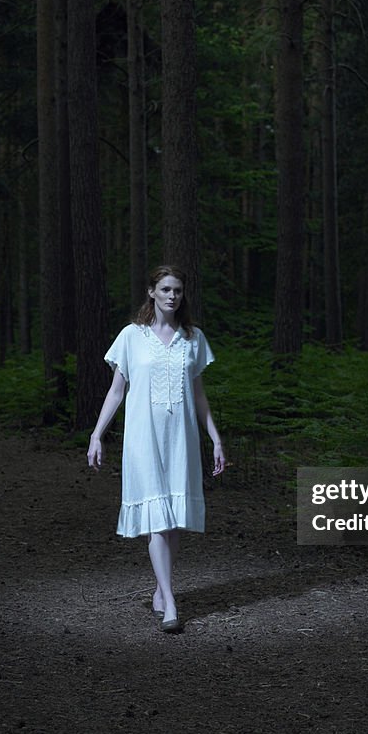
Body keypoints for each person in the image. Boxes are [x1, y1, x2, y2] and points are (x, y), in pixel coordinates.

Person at [88, 266, 225, 633]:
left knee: (174, 518)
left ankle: (161, 590)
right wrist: (97, 434)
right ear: (151, 292)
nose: (172, 296)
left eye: (177, 290)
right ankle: (170, 601)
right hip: (142, 437)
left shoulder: (193, 339)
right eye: (165, 289)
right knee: (157, 521)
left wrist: (215, 438)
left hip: (180, 437)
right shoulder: (131, 337)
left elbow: (198, 396)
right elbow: (117, 391)